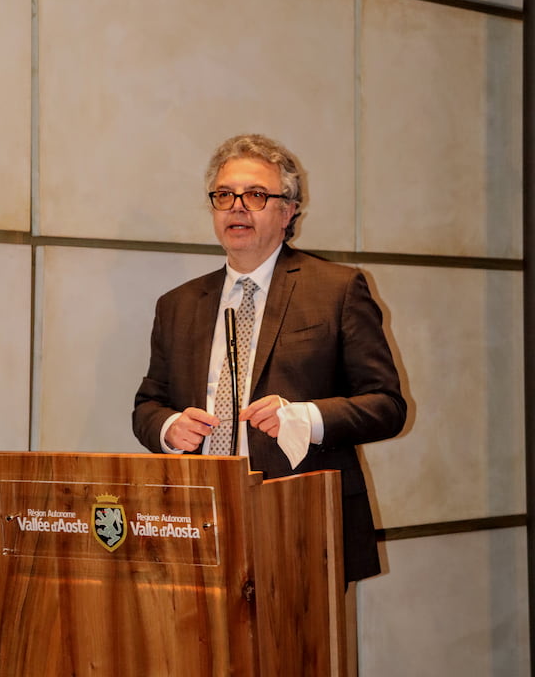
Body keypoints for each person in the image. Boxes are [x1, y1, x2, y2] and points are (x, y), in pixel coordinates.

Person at [133, 133, 406, 584]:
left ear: (288, 211)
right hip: (196, 522)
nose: (237, 207)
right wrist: (169, 427)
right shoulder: (177, 304)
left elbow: (387, 406)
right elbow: (148, 405)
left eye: (256, 195)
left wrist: (305, 418)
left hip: (301, 525)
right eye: (224, 195)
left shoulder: (337, 290)